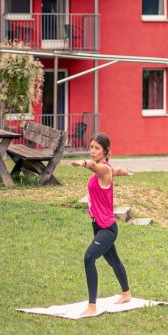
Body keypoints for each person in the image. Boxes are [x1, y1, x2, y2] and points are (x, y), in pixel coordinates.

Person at [70, 134, 132, 317]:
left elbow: (94, 166)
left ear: (105, 151)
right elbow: (116, 170)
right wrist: (125, 172)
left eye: (97, 148)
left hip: (107, 228)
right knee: (113, 260)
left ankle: (91, 306)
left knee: (89, 257)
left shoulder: (102, 169)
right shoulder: (109, 169)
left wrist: (83, 163)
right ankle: (126, 293)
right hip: (98, 226)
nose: (92, 151)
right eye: (91, 147)